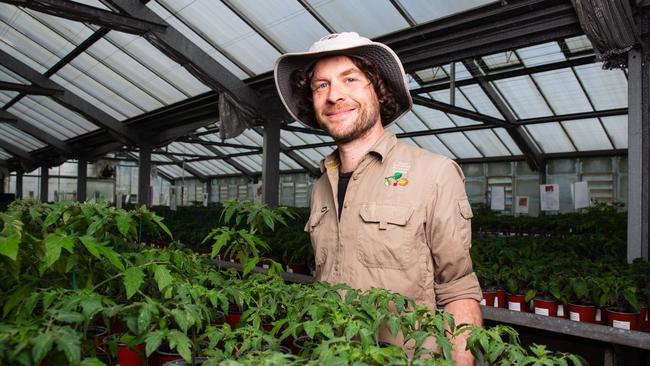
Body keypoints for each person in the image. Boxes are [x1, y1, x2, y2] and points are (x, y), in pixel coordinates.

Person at [274, 32, 482, 365]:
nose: (334, 96)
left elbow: (457, 289)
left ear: (378, 89)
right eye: (321, 86)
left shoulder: (434, 173)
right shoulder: (320, 187)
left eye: (350, 79)